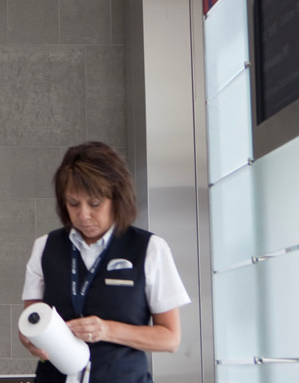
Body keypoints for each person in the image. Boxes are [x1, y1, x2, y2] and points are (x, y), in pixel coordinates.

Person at [18, 141, 190, 383]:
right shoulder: (45, 247)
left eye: (95, 203)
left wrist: (108, 330)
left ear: (117, 199)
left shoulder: (150, 249)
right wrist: (30, 340)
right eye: (73, 204)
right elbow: (30, 321)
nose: (83, 215)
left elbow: (170, 338)